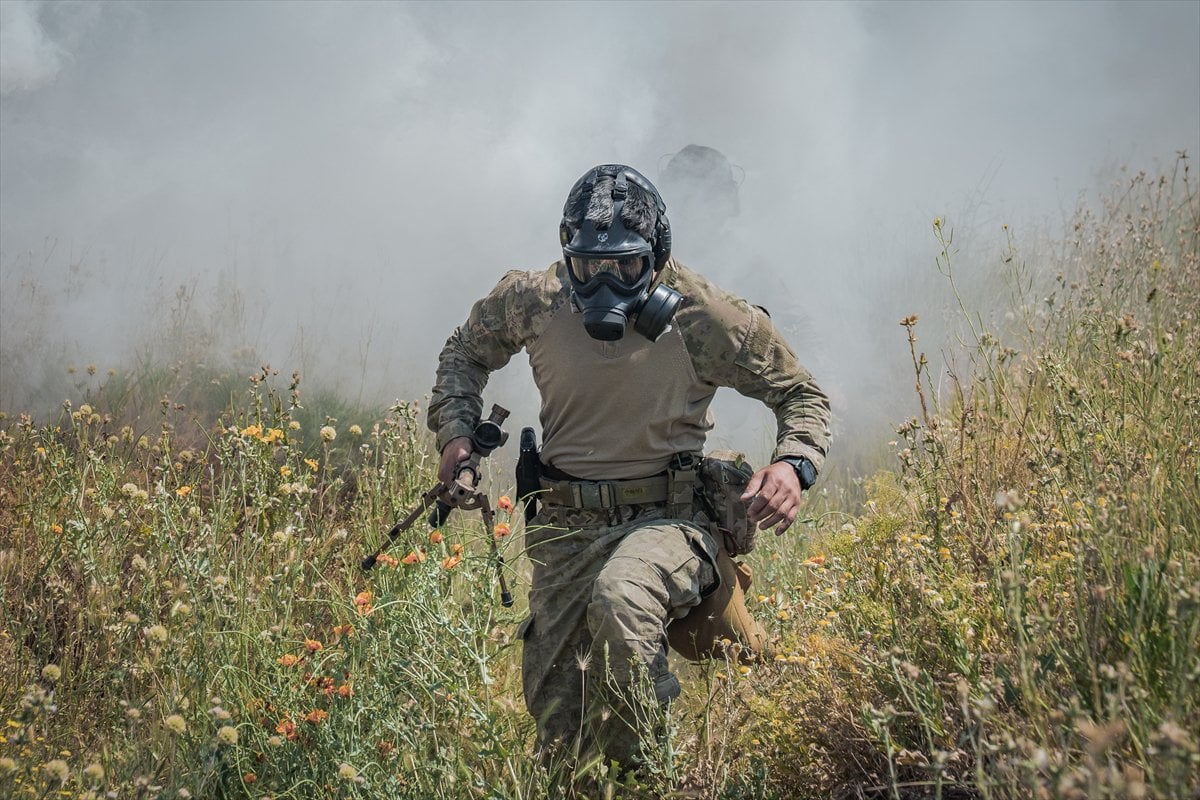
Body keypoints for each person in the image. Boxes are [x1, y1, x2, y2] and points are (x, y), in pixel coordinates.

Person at [426, 163, 831, 766]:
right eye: (591, 266)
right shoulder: (534, 300)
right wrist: (456, 433)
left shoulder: (704, 317)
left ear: (658, 256)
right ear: (569, 254)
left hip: (669, 519)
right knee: (563, 734)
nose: (606, 283)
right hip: (566, 528)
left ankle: (647, 775)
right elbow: (464, 352)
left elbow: (800, 394)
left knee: (623, 599)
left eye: (628, 265)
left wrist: (793, 464)